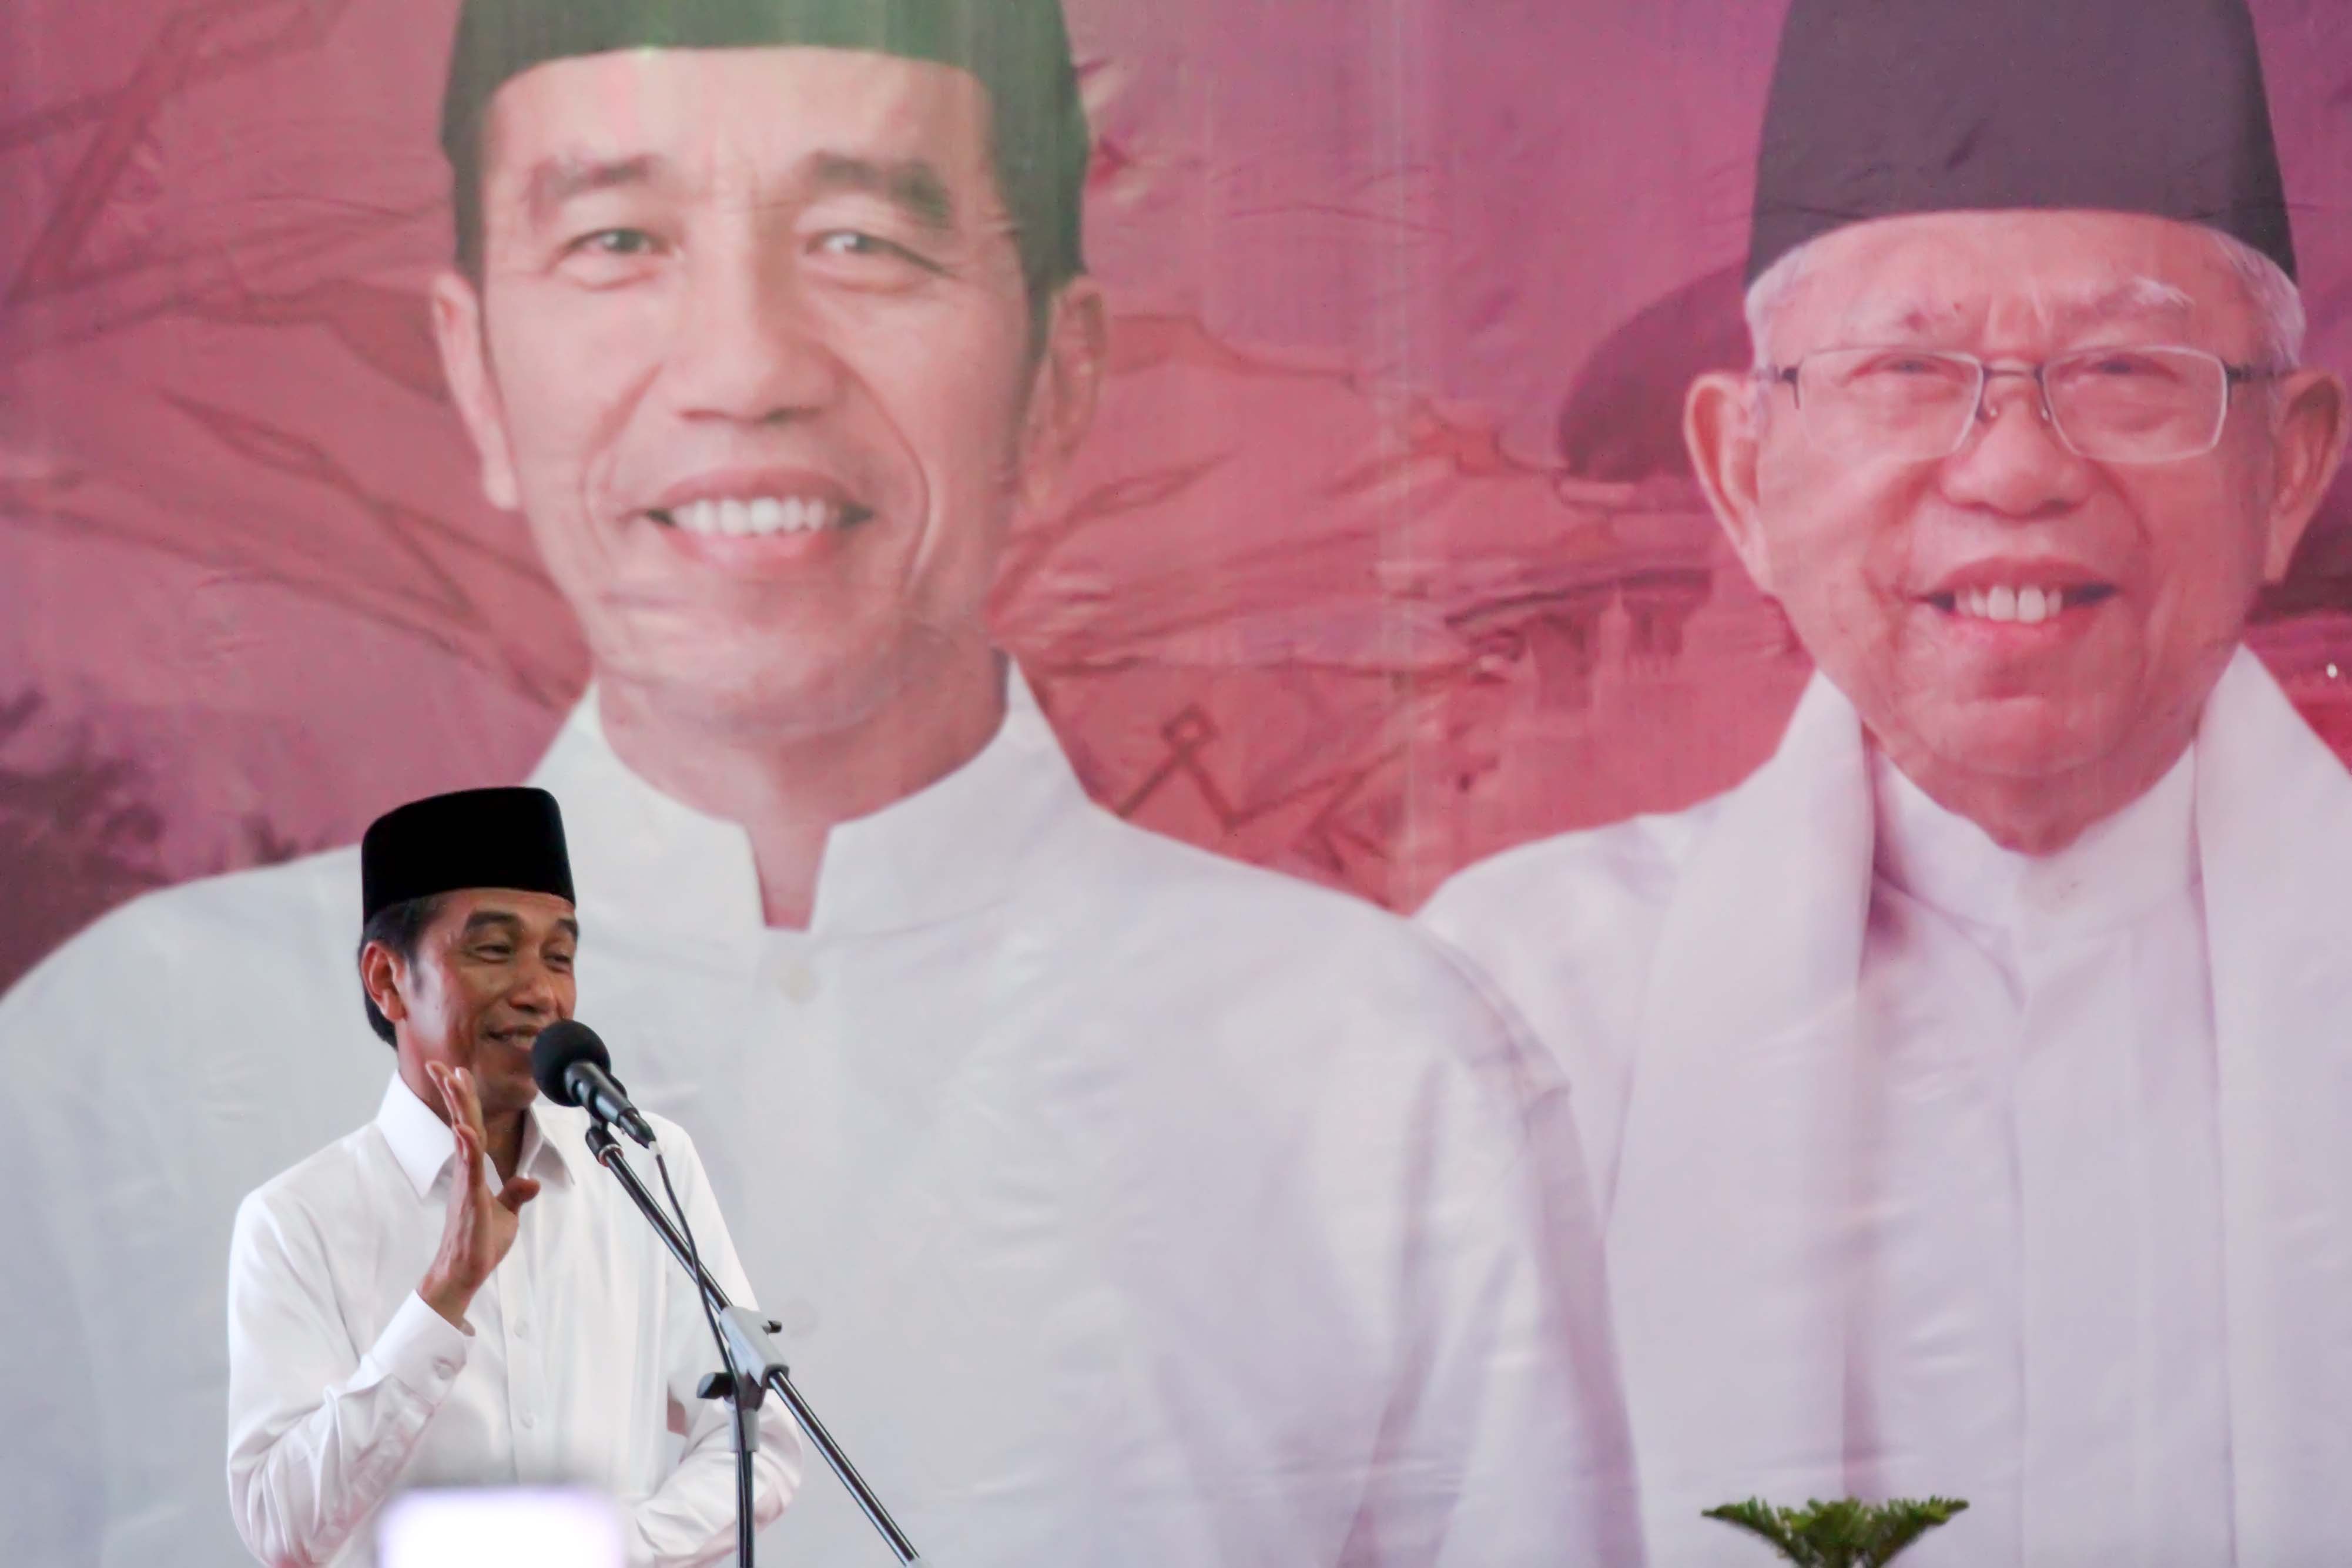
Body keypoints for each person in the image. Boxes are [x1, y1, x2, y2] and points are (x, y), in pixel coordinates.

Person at [0, 2, 1637, 1564]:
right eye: (618, 240)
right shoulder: (121, 1069)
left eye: (862, 240)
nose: (745, 369)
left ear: (1059, 377)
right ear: (478, 373)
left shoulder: (1381, 1073)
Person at [1420, 2, 2352, 1564]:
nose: (2015, 468)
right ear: (1743, 474)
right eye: (1905, 370)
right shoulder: (1513, 1019)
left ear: (2291, 468)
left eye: (2127, 368)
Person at [226, 786, 798, 1567]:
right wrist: (442, 1296)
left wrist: (604, 1550)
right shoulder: (297, 1219)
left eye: (559, 957)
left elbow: (759, 1441)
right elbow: (280, 1525)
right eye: (494, 950)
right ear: (387, 979)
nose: (540, 993)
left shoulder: (641, 1166)